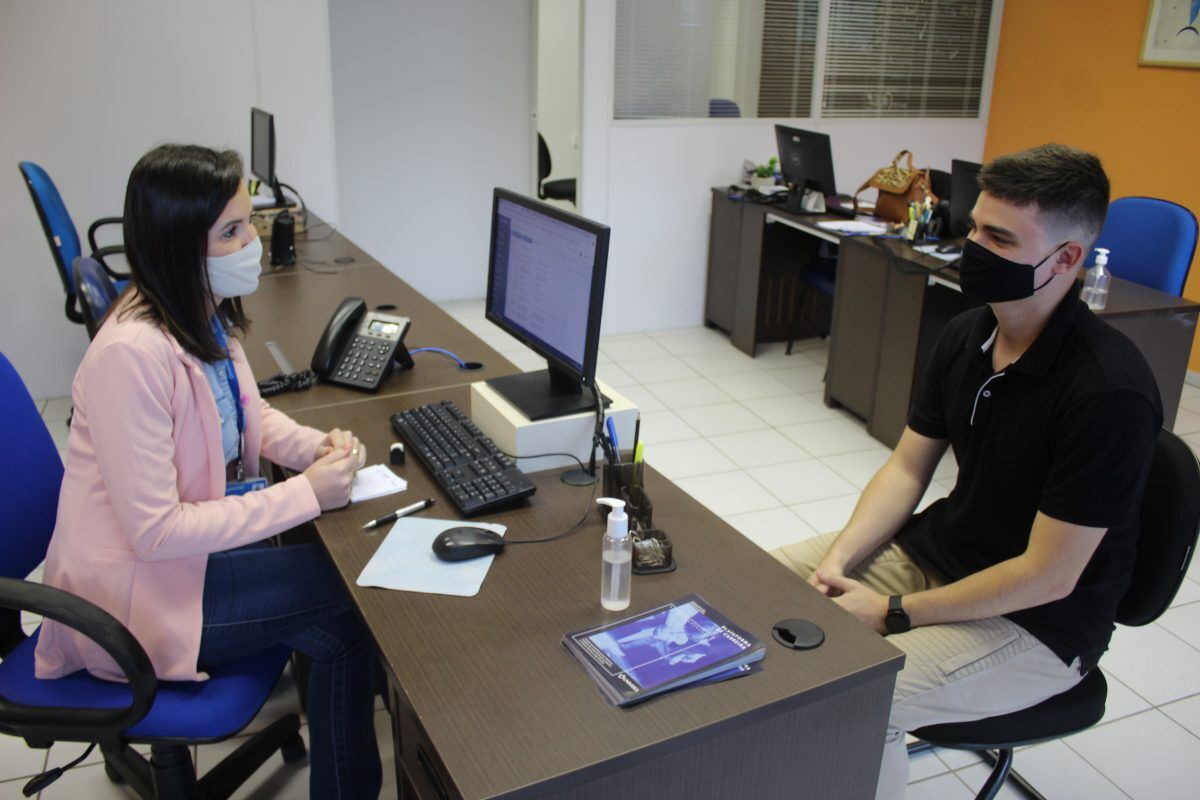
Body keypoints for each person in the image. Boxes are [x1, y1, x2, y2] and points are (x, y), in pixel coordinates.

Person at [770, 143, 1162, 799]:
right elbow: (906, 468)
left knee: (855, 699)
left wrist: (895, 613)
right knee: (751, 591)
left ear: (1067, 259)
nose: (971, 246)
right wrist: (842, 561)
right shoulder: (968, 335)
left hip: (1041, 623)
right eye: (975, 226)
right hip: (944, 555)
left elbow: (1049, 574)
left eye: (998, 238)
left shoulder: (1108, 391)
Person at [35, 144, 382, 799]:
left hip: (179, 566)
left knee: (336, 614)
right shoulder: (130, 356)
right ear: (177, 244)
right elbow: (156, 533)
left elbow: (246, 416)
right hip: (128, 598)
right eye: (231, 231)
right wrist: (307, 495)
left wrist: (312, 449)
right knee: (347, 596)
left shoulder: (201, 311)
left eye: (247, 222)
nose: (251, 242)